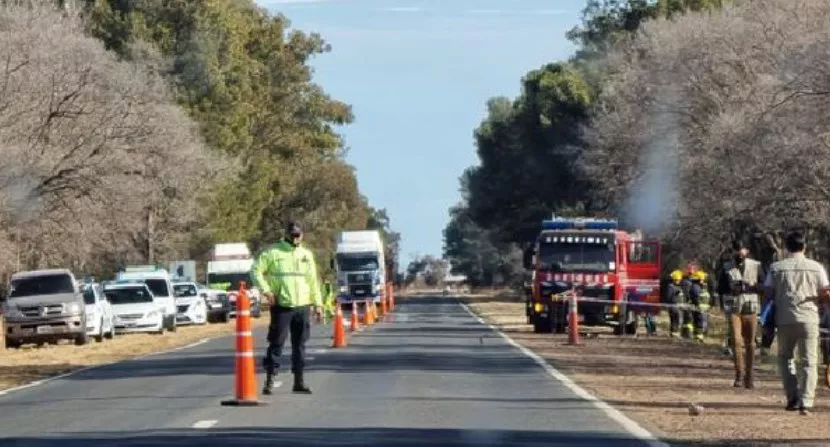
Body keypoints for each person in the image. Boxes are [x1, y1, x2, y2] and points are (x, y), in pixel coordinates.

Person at [252, 221, 324, 395]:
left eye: (298, 235)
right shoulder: (273, 252)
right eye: (292, 234)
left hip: (302, 306)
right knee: (276, 343)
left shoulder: (306, 255)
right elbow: (255, 271)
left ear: (302, 235)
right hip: (282, 306)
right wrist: (266, 291)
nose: (295, 238)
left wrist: (318, 304)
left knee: (300, 345)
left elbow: (313, 281)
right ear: (286, 234)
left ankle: (299, 381)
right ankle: (270, 379)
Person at [764, 230, 830, 415]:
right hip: (809, 318)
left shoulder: (776, 267)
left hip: (784, 319)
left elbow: (768, 293)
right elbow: (826, 292)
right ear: (804, 246)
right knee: (809, 361)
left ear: (786, 247)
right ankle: (806, 401)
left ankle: (792, 397)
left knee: (785, 358)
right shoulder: (816, 267)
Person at [719, 239, 764, 389]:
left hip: (751, 308)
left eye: (741, 249)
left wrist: (750, 286)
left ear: (747, 250)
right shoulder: (726, 267)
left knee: (750, 343)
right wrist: (730, 290)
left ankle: (749, 376)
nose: (739, 252)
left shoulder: (756, 265)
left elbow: (764, 287)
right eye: (736, 249)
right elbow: (721, 289)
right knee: (736, 341)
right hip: (734, 309)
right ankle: (739, 373)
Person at [689, 270, 712, 342]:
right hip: (699, 309)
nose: (703, 280)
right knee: (699, 323)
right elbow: (696, 298)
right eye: (702, 279)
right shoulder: (695, 287)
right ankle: (699, 337)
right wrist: (699, 306)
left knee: (699, 322)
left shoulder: (698, 286)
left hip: (702, 309)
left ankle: (698, 337)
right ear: (699, 279)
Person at [667, 270, 687, 338]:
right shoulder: (671, 287)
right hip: (673, 307)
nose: (678, 281)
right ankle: (674, 334)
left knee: (679, 321)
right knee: (674, 321)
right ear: (674, 280)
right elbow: (669, 297)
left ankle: (676, 333)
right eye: (677, 280)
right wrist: (675, 294)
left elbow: (682, 297)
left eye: (679, 280)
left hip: (680, 307)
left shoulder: (680, 287)